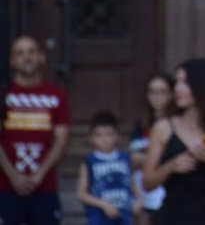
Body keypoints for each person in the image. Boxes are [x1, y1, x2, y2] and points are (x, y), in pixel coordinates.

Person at [142, 59, 205, 225]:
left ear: (203, 87)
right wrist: (170, 167)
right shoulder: (163, 127)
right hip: (172, 216)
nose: (177, 88)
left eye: (185, 83)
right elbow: (147, 183)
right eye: (177, 82)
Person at [0, 35, 70, 225]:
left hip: (44, 186)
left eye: (31, 52)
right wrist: (13, 176)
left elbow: (61, 140)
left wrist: (39, 175)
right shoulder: (3, 94)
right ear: (12, 61)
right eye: (20, 53)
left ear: (41, 57)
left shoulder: (56, 95)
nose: (27, 57)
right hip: (5, 186)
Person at [76, 111, 143, 225]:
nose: (104, 139)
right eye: (99, 135)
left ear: (117, 136)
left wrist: (139, 200)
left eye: (109, 134)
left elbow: (130, 181)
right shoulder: (89, 161)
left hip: (124, 215)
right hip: (100, 217)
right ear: (91, 138)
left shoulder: (125, 158)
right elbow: (81, 194)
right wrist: (104, 205)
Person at [130, 72, 174, 225]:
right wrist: (159, 159)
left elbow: (174, 158)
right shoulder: (141, 123)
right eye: (152, 92)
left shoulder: (176, 123)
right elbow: (134, 157)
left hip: (167, 185)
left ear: (171, 95)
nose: (156, 97)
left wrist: (149, 158)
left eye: (162, 92)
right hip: (143, 185)